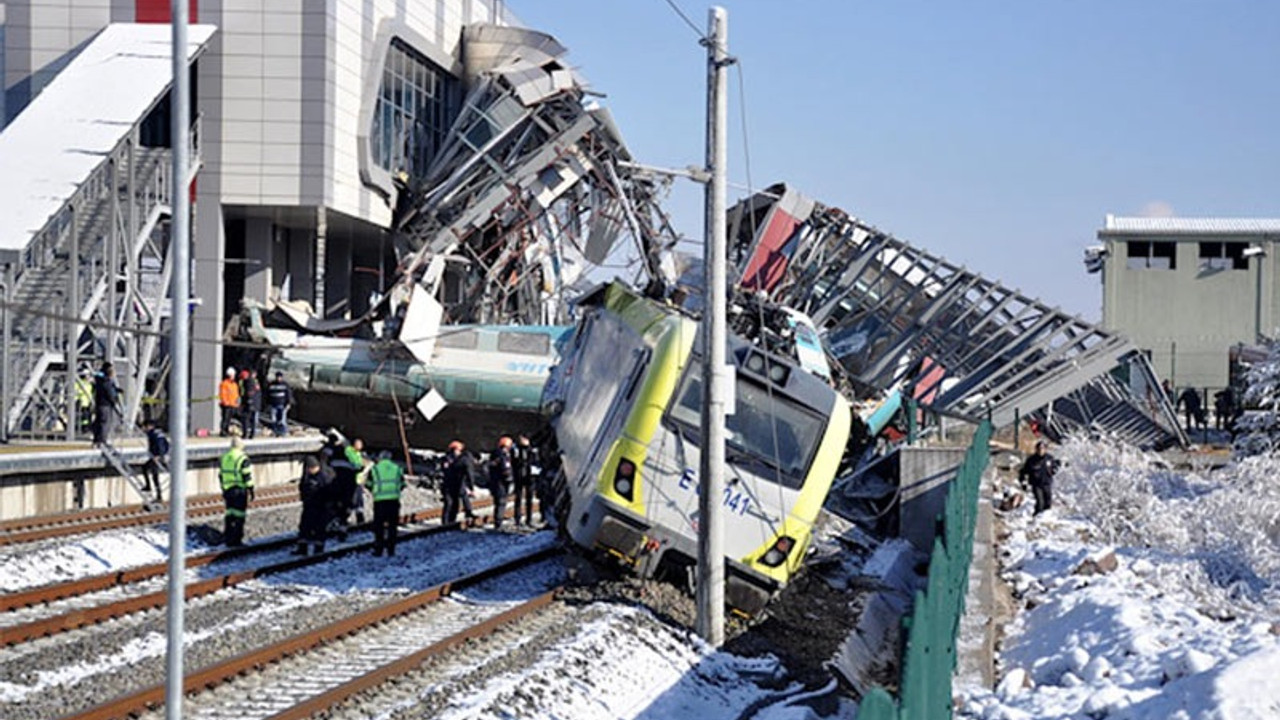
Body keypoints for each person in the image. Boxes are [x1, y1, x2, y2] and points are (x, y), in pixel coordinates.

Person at [365, 450, 405, 557]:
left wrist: (375, 491)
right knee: (392, 527)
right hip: (393, 501)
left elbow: (368, 484)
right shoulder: (397, 468)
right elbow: (403, 484)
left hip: (379, 501)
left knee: (379, 527)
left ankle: (379, 550)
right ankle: (391, 550)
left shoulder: (375, 469)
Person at [219, 436, 255, 546]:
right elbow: (246, 476)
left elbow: (220, 475)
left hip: (227, 489)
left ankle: (228, 536)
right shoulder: (242, 458)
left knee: (229, 513)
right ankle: (237, 539)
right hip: (239, 490)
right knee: (239, 515)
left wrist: (223, 488)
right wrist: (251, 489)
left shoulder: (225, 457)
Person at [294, 455, 332, 556]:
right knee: (304, 527)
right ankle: (302, 548)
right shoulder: (307, 476)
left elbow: (329, 492)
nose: (307, 470)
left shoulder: (323, 477)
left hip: (321, 507)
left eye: (309, 468)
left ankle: (318, 549)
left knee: (319, 528)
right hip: (309, 505)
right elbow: (302, 488)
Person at [440, 440, 477, 527]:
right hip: (451, 485)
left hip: (455, 484)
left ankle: (450, 521)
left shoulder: (459, 459)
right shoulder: (452, 459)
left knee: (454, 504)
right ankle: (446, 522)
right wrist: (471, 486)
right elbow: (469, 473)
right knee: (450, 504)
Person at [327, 442, 359, 541]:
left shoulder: (332, 464)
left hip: (334, 490)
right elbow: (353, 483)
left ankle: (331, 527)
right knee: (344, 513)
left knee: (333, 509)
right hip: (347, 491)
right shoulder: (351, 466)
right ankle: (342, 532)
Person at [1018, 440, 1059, 516]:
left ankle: (1045, 518)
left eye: (1042, 448)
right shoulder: (1031, 460)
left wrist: (1055, 469)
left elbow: (1055, 468)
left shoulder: (1049, 458)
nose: (1041, 450)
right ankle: (1036, 516)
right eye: (1039, 449)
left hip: (1047, 484)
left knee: (1048, 502)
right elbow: (1023, 472)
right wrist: (1023, 482)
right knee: (1040, 503)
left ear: (1045, 449)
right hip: (1036, 485)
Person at [92, 362, 122, 446]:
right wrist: (114, 401)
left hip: (99, 404)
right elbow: (109, 393)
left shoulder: (100, 380)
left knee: (99, 422)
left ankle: (97, 440)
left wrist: (116, 389)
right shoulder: (107, 381)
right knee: (105, 423)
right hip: (105, 405)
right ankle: (102, 441)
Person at [512, 435, 539, 526]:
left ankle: (529, 518)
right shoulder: (516, 450)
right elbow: (514, 461)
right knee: (518, 497)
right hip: (519, 475)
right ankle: (517, 518)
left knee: (529, 498)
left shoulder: (531, 450)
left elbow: (536, 461)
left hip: (529, 476)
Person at [488, 436, 514, 530]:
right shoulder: (503, 456)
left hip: (495, 482)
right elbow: (505, 469)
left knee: (497, 502)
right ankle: (499, 522)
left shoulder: (494, 455)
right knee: (501, 502)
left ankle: (497, 521)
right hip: (501, 483)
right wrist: (509, 478)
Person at [141, 418, 169, 502]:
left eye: (144, 427)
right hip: (157, 456)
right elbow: (167, 444)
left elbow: (160, 444)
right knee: (146, 469)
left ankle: (157, 494)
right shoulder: (158, 433)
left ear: (149, 426)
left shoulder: (154, 434)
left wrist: (159, 456)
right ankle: (150, 487)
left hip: (157, 457)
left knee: (154, 476)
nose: (143, 429)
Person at [345, 438, 370, 525]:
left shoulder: (358, 453)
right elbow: (356, 464)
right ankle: (345, 518)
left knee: (359, 500)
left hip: (358, 481)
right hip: (353, 480)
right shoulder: (349, 451)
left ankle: (360, 518)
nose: (361, 446)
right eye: (359, 444)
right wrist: (363, 465)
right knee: (353, 500)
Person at [265, 371, 293, 436]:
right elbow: (268, 395)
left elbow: (288, 395)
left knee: (282, 419)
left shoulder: (285, 385)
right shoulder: (271, 385)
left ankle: (283, 432)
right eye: (277, 377)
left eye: (280, 377)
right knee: (273, 419)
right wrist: (267, 403)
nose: (278, 378)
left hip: (282, 404)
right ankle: (275, 431)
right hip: (273, 404)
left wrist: (288, 403)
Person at [239, 369, 262, 439]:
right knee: (253, 420)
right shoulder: (255, 382)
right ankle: (251, 433)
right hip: (255, 404)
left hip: (249, 404)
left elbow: (249, 393)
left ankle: (246, 433)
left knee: (246, 419)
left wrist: (249, 402)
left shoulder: (249, 382)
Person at [218, 368, 241, 437]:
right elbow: (223, 394)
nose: (234, 376)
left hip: (233, 404)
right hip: (227, 405)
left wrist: (237, 402)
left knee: (229, 419)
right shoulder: (224, 383)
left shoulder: (234, 384)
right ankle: (223, 431)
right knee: (225, 418)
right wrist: (225, 402)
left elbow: (236, 394)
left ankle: (226, 430)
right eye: (233, 375)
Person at [74, 366, 94, 435]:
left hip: (88, 402)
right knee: (83, 417)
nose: (88, 376)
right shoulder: (79, 383)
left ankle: (88, 428)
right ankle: (83, 428)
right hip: (81, 403)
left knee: (89, 416)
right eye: (87, 375)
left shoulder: (89, 383)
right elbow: (77, 391)